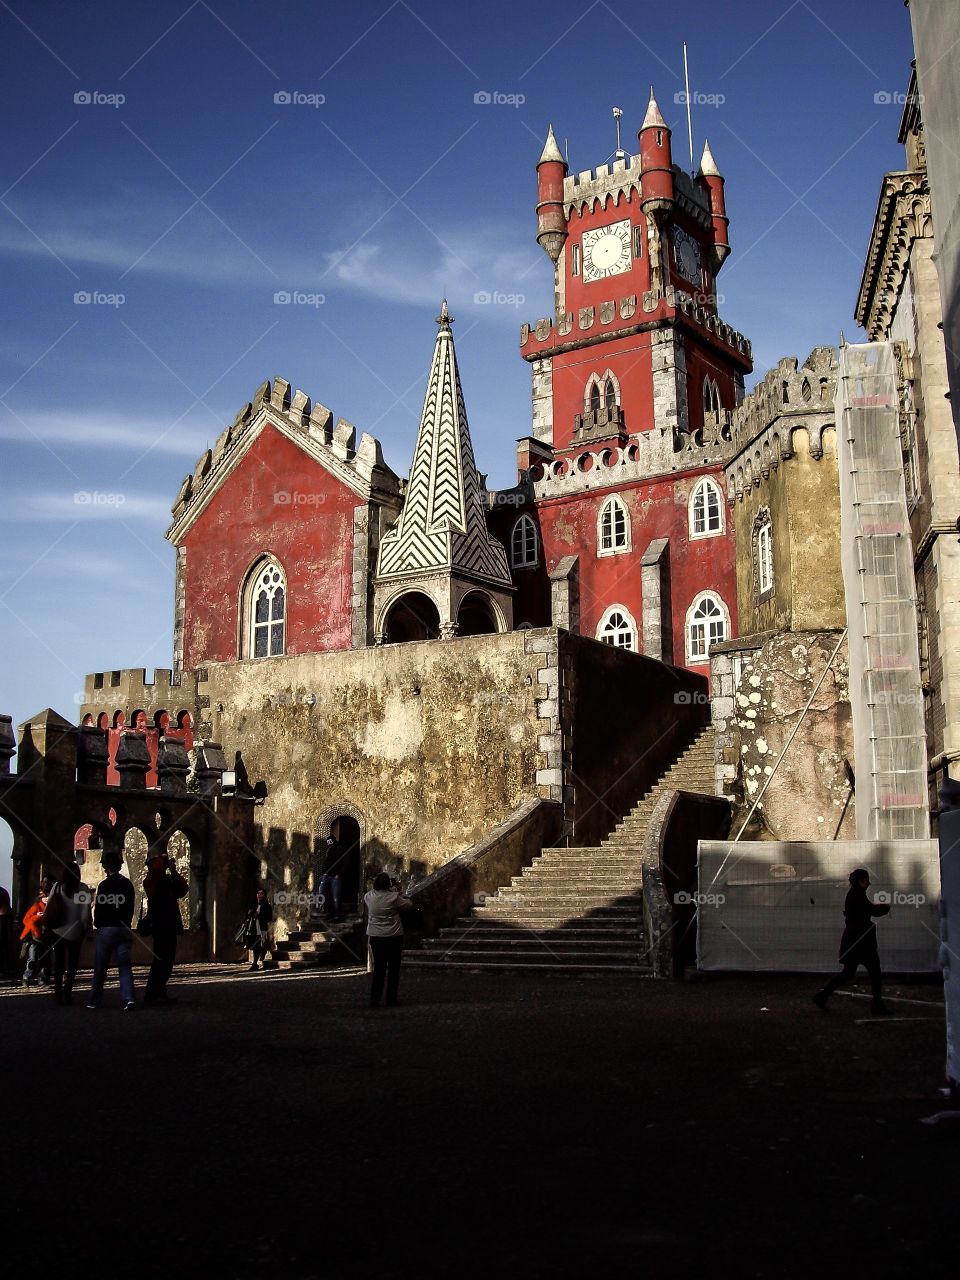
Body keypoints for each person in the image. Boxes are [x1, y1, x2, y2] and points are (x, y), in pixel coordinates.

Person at [814, 868, 891, 1015]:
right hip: (862, 942)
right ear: (861, 881)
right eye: (866, 880)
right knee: (874, 973)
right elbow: (871, 911)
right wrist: (885, 908)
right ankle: (877, 1005)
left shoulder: (854, 894)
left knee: (848, 973)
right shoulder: (858, 895)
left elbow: (865, 911)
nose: (868, 884)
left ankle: (822, 996)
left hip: (853, 941)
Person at [86, 851, 136, 1010]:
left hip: (106, 929)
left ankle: (94, 1001)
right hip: (123, 928)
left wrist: (98, 924)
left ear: (106, 867)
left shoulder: (104, 885)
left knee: (101, 966)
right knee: (124, 966)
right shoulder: (127, 884)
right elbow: (130, 907)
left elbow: (99, 909)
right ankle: (129, 998)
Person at [142, 851, 189, 1008]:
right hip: (160, 928)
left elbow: (183, 889)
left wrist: (173, 871)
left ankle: (160, 993)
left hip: (169, 927)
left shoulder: (167, 881)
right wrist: (162, 860)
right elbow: (155, 874)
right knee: (160, 962)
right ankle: (152, 994)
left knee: (166, 963)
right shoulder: (150, 881)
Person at [363, 872, 412, 1008]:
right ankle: (391, 999)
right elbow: (408, 904)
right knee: (393, 969)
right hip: (393, 936)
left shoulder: (368, 897)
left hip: (375, 936)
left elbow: (376, 894)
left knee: (379, 968)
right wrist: (397, 892)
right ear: (388, 885)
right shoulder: (394, 898)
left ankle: (375, 998)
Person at [47, 862, 92, 1005]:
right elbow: (84, 914)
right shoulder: (82, 889)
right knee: (72, 965)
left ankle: (58, 994)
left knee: (59, 964)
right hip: (75, 932)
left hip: (58, 931)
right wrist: (85, 929)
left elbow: (49, 907)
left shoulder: (58, 887)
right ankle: (68, 993)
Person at [19, 875, 52, 986]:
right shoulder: (37, 904)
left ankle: (42, 978)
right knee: (32, 958)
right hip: (34, 936)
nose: (46, 898)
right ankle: (26, 977)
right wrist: (37, 917)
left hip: (46, 935)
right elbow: (26, 919)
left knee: (44, 959)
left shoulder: (52, 904)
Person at [244, 887, 273, 971]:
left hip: (262, 928)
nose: (260, 895)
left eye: (262, 893)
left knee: (261, 944)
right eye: (258, 893)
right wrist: (250, 913)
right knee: (254, 945)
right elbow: (247, 915)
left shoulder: (267, 906)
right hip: (253, 928)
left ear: (264, 895)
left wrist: (259, 916)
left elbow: (269, 918)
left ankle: (258, 959)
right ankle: (255, 963)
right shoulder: (253, 904)